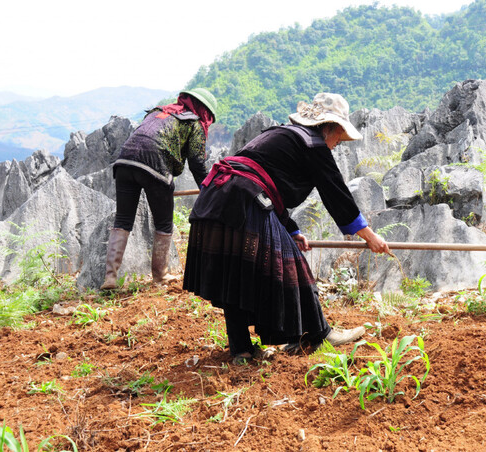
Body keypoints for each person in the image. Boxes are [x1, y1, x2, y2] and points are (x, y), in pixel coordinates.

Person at [183, 92, 390, 363]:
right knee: (292, 266)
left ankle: (242, 351)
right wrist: (370, 235)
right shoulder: (313, 145)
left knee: (235, 274)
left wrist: (291, 230)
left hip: (215, 197)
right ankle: (317, 335)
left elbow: (268, 184)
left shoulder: (280, 135)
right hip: (242, 198)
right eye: (339, 136)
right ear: (330, 128)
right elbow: (336, 194)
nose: (338, 144)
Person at [100, 88, 218, 290]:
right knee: (164, 223)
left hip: (125, 162)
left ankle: (110, 277)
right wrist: (208, 190)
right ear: (205, 111)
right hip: (154, 165)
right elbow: (197, 163)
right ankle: (160, 276)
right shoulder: (193, 122)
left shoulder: (156, 112)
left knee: (123, 220)